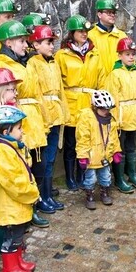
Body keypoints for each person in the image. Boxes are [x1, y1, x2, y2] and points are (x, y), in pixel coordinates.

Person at [0, 21, 52, 223]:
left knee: (37, 166)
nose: (26, 45)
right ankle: (27, 209)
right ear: (8, 42)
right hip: (16, 120)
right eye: (22, 41)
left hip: (33, 119)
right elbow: (1, 98)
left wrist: (45, 119)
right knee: (22, 168)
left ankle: (34, 202)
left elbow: (37, 92)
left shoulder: (27, 63)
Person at [0, 105, 39, 272]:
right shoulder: (1, 151)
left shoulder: (9, 146)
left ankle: (18, 262)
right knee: (11, 237)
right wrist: (32, 193)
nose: (22, 132)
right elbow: (14, 182)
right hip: (10, 204)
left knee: (18, 235)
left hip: (16, 203)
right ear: (6, 131)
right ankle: (9, 269)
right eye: (19, 128)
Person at [55, 14, 106, 190]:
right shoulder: (62, 55)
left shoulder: (94, 54)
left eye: (86, 31)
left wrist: (100, 102)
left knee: (87, 141)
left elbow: (101, 78)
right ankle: (70, 177)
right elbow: (58, 81)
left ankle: (83, 174)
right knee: (70, 143)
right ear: (72, 32)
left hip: (89, 103)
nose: (84, 34)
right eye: (80, 31)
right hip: (71, 103)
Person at [26, 25, 70, 211]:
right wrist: (43, 117)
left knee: (50, 157)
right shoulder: (33, 64)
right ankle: (40, 197)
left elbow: (60, 90)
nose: (52, 46)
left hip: (55, 115)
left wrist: (64, 113)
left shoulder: (53, 63)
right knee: (41, 160)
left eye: (52, 42)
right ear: (36, 44)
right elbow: (36, 92)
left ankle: (47, 194)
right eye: (48, 42)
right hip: (43, 117)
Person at [105, 37, 136, 192]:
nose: (131, 57)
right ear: (119, 55)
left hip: (134, 116)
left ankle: (132, 174)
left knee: (131, 146)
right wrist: (115, 120)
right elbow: (113, 98)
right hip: (122, 117)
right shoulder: (115, 74)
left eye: (133, 54)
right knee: (119, 148)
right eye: (127, 53)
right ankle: (119, 179)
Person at [76, 90, 122, 210]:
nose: (106, 112)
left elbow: (114, 137)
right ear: (96, 107)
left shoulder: (110, 120)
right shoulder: (86, 118)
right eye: (103, 109)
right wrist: (82, 156)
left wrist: (116, 151)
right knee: (90, 178)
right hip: (91, 157)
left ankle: (104, 192)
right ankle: (89, 195)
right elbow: (82, 138)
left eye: (108, 109)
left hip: (105, 156)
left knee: (106, 176)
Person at [88, 0, 128, 76]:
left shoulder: (122, 36)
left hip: (119, 82)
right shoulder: (90, 36)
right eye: (109, 12)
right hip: (99, 85)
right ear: (99, 14)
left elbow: (130, 59)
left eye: (113, 12)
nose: (112, 15)